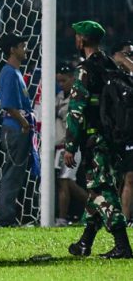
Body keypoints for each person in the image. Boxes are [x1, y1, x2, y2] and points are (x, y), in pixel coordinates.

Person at [65, 21, 132, 258]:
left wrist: (70, 145)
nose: (75, 39)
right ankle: (84, 243)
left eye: (77, 36)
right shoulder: (110, 65)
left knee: (103, 191)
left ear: (82, 40)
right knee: (96, 194)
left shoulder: (85, 70)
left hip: (95, 141)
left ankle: (123, 246)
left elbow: (76, 110)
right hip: (113, 139)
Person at [0, 32, 35, 227]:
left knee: (15, 173)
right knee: (12, 174)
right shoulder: (9, 72)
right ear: (13, 49)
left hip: (17, 127)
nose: (25, 49)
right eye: (22, 45)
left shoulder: (15, 72)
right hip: (15, 128)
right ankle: (5, 218)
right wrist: (24, 123)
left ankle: (10, 215)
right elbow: (8, 104)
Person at [54, 63, 87, 226]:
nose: (61, 84)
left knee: (65, 181)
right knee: (65, 182)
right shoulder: (58, 96)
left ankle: (62, 218)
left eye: (64, 80)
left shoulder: (77, 98)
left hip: (72, 146)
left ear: (73, 79)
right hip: (60, 147)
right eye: (59, 81)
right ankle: (97, 207)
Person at [110, 40, 133, 226]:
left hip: (129, 133)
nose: (129, 57)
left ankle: (124, 220)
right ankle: (120, 220)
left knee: (130, 177)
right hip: (115, 134)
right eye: (126, 54)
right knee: (119, 178)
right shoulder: (111, 77)